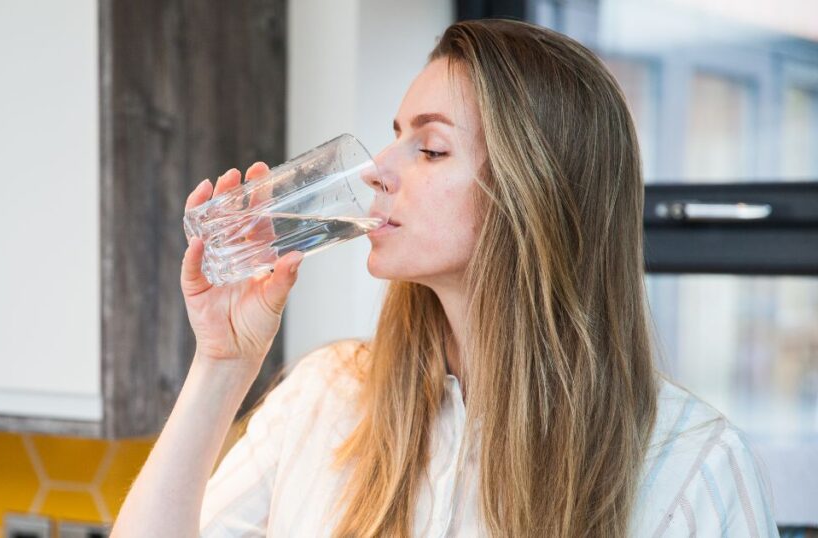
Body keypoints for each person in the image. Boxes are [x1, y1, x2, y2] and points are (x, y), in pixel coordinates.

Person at [110, 19, 778, 537]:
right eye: (397, 135)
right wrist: (222, 364)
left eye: (430, 149)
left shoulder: (691, 468)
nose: (378, 170)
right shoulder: (321, 400)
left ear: (535, 193)